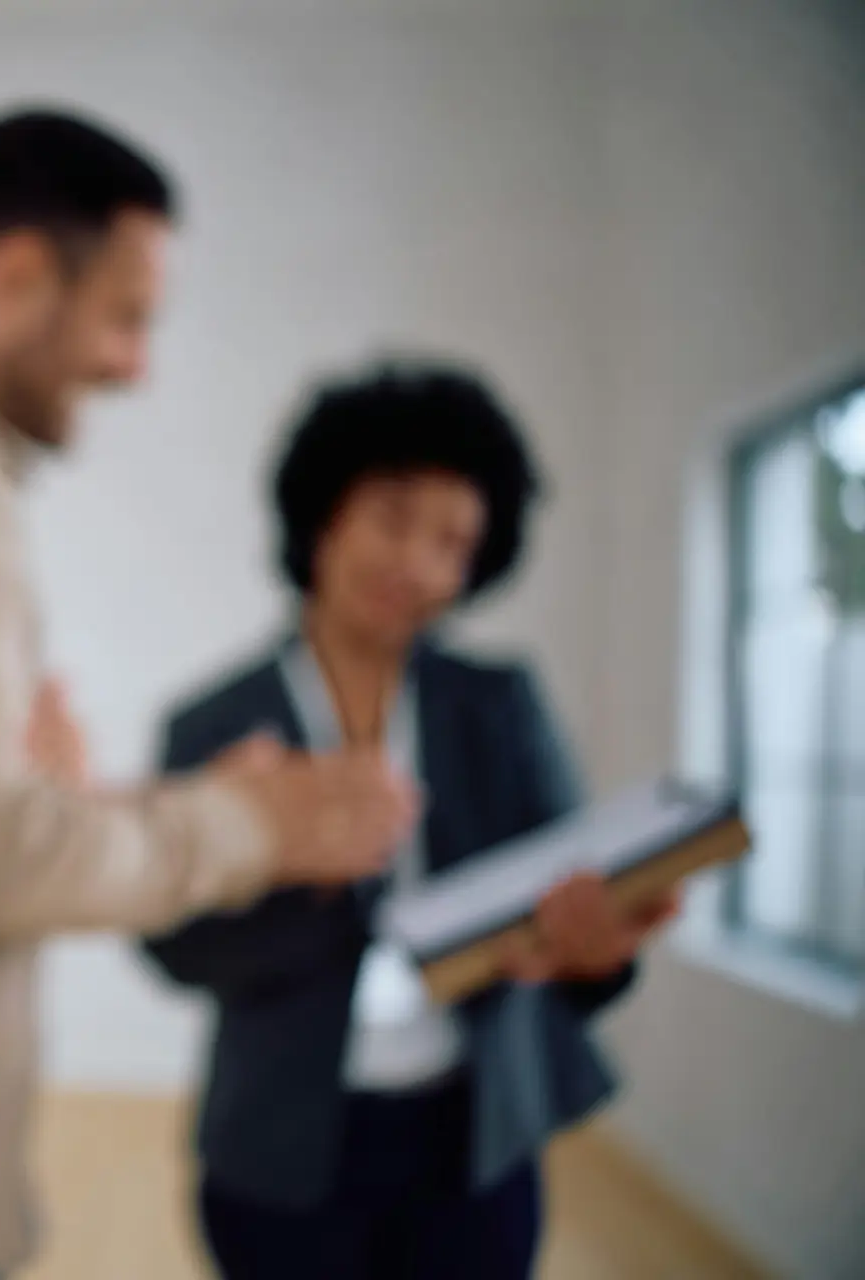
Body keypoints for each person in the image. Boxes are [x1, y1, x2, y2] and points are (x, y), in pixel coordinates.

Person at [0, 109, 422, 1280]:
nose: (134, 365)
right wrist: (261, 825)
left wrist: (120, 802)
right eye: (127, 316)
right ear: (17, 273)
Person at [143, 361, 680, 1280]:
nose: (417, 566)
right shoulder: (214, 724)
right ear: (321, 515)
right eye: (393, 520)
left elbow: (571, 905)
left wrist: (597, 949)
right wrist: (297, 869)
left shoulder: (501, 704)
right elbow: (176, 947)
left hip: (472, 1140)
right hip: (281, 1144)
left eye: (453, 544)